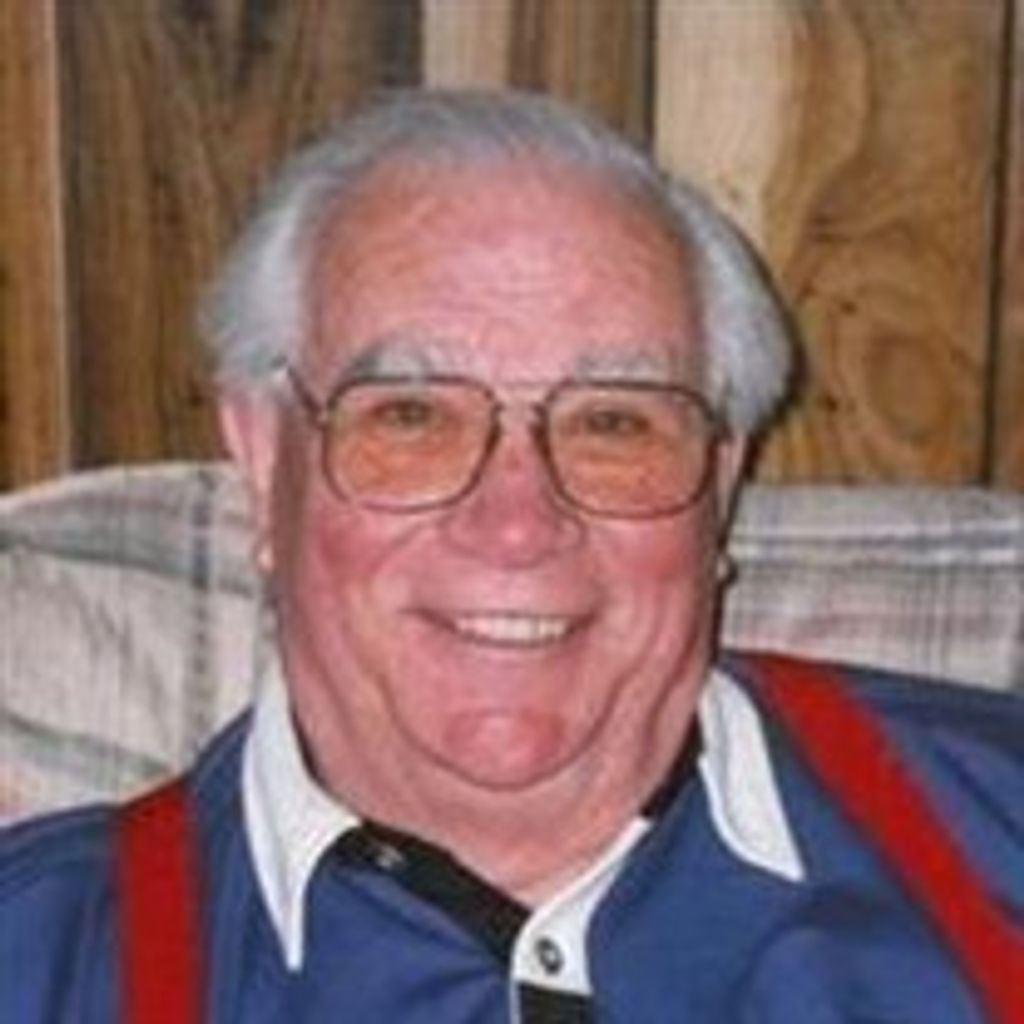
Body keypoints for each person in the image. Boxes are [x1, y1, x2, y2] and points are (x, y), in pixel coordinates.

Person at [2, 89, 1022, 1024]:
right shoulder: (37, 960)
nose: (518, 522)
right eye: (411, 415)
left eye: (614, 422)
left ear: (721, 478)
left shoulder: (998, 828)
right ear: (267, 458)